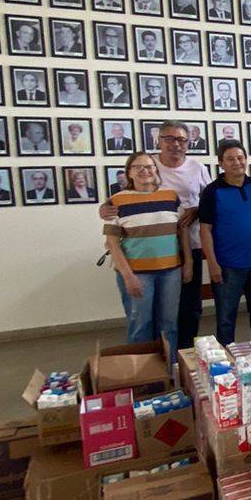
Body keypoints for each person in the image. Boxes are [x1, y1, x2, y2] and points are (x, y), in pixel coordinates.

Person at [100, 121, 212, 351]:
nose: (175, 144)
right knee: (144, 319)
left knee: (186, 310)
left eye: (181, 139)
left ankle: (181, 358)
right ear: (158, 141)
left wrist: (196, 211)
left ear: (188, 142)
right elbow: (117, 213)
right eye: (169, 138)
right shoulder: (148, 167)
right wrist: (105, 208)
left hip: (186, 248)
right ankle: (148, 363)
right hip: (144, 258)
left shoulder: (196, 169)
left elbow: (210, 202)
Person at [103, 151, 188, 365]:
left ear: (156, 170)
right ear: (129, 173)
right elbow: (112, 243)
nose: (144, 171)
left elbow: (182, 231)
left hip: (171, 271)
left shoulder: (170, 196)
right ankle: (142, 373)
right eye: (138, 167)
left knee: (169, 325)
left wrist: (189, 262)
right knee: (140, 326)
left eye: (149, 166)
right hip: (137, 274)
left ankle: (169, 371)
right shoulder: (117, 201)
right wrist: (128, 276)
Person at [197, 142, 251, 347]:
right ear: (221, 163)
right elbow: (205, 230)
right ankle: (227, 358)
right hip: (227, 266)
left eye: (240, 158)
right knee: (226, 318)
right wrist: (212, 264)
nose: (236, 162)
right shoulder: (212, 191)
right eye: (230, 159)